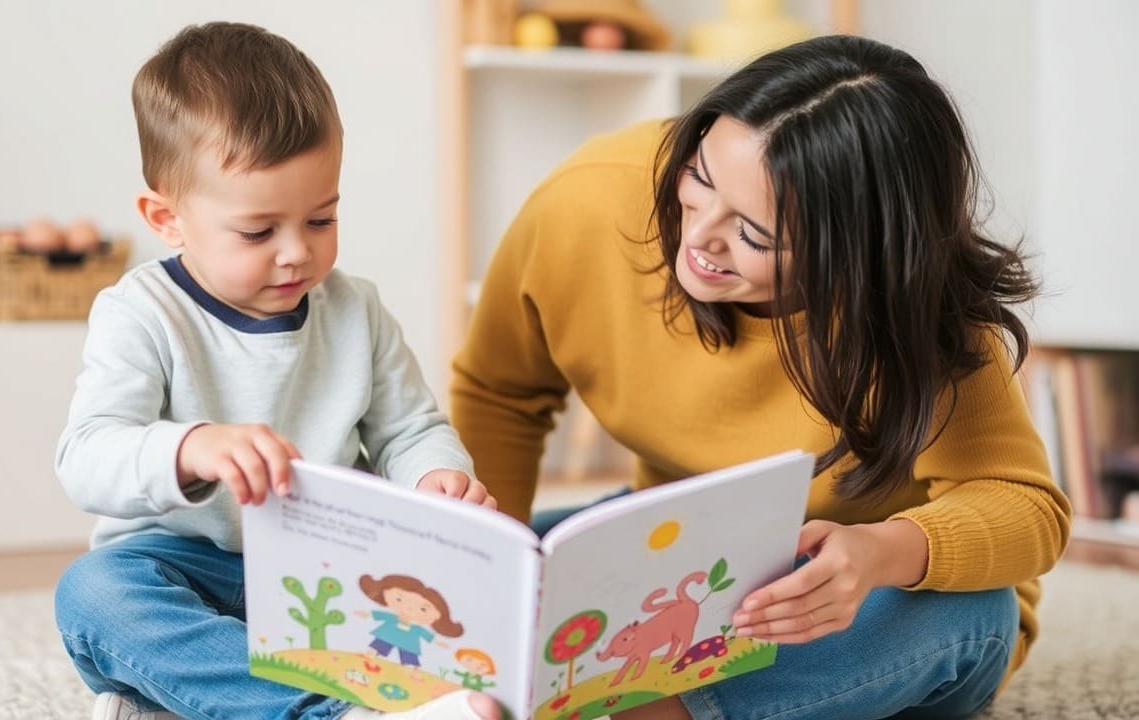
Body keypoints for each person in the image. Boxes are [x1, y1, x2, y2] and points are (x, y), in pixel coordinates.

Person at [451, 34, 1072, 720]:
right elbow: (501, 392)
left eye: (755, 234)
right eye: (700, 178)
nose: (700, 237)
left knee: (978, 609)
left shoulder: (930, 321)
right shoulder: (588, 197)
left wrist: (882, 552)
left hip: (854, 593)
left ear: (859, 253)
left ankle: (654, 711)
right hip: (692, 559)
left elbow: (1027, 510)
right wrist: (486, 585)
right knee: (507, 558)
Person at [54, 22, 499, 720]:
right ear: (166, 218)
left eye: (321, 220)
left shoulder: (355, 310)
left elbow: (411, 428)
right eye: (259, 232)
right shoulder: (138, 311)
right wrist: (191, 446)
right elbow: (85, 457)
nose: (296, 254)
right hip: (186, 570)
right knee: (94, 595)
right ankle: (329, 711)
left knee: (450, 601)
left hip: (329, 574)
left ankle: (189, 694)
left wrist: (434, 476)